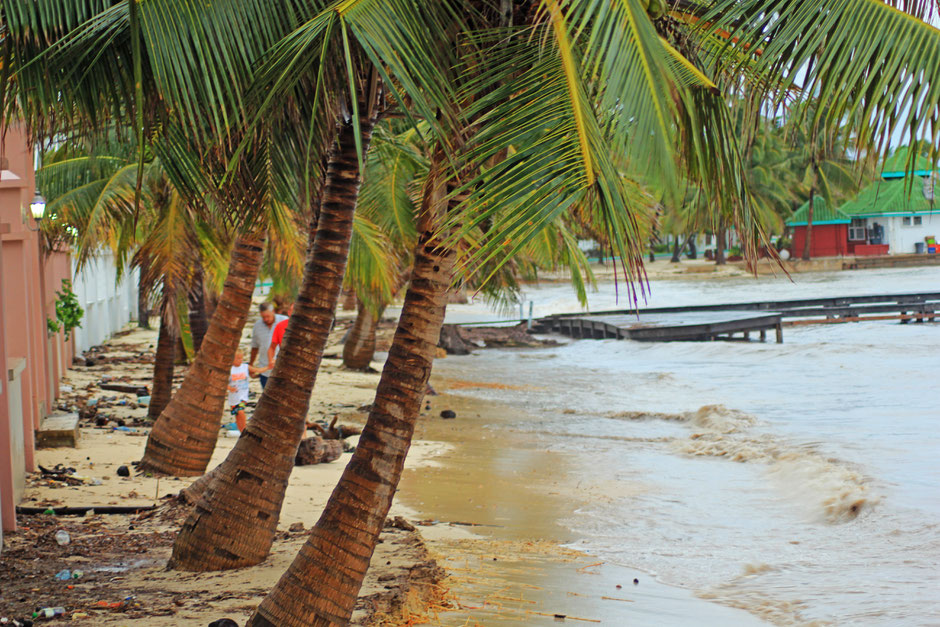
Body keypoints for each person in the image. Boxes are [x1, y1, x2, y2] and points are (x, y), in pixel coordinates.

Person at [250, 302, 286, 389]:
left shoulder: (284, 321)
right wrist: (251, 365)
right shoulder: (257, 326)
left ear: (273, 311)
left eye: (267, 316)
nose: (266, 319)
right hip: (265, 370)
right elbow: (255, 347)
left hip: (284, 370)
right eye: (263, 317)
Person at [260, 303, 293, 377]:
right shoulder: (280, 326)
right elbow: (272, 347)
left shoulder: (307, 328)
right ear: (289, 312)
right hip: (283, 366)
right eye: (292, 310)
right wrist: (271, 361)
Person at [227, 348, 250, 433]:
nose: (240, 360)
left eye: (241, 358)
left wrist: (268, 367)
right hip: (233, 398)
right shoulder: (229, 369)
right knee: (237, 415)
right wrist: (229, 388)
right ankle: (242, 432)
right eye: (238, 358)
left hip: (243, 396)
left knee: (241, 412)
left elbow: (257, 370)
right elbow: (224, 382)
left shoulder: (245, 367)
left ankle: (245, 430)